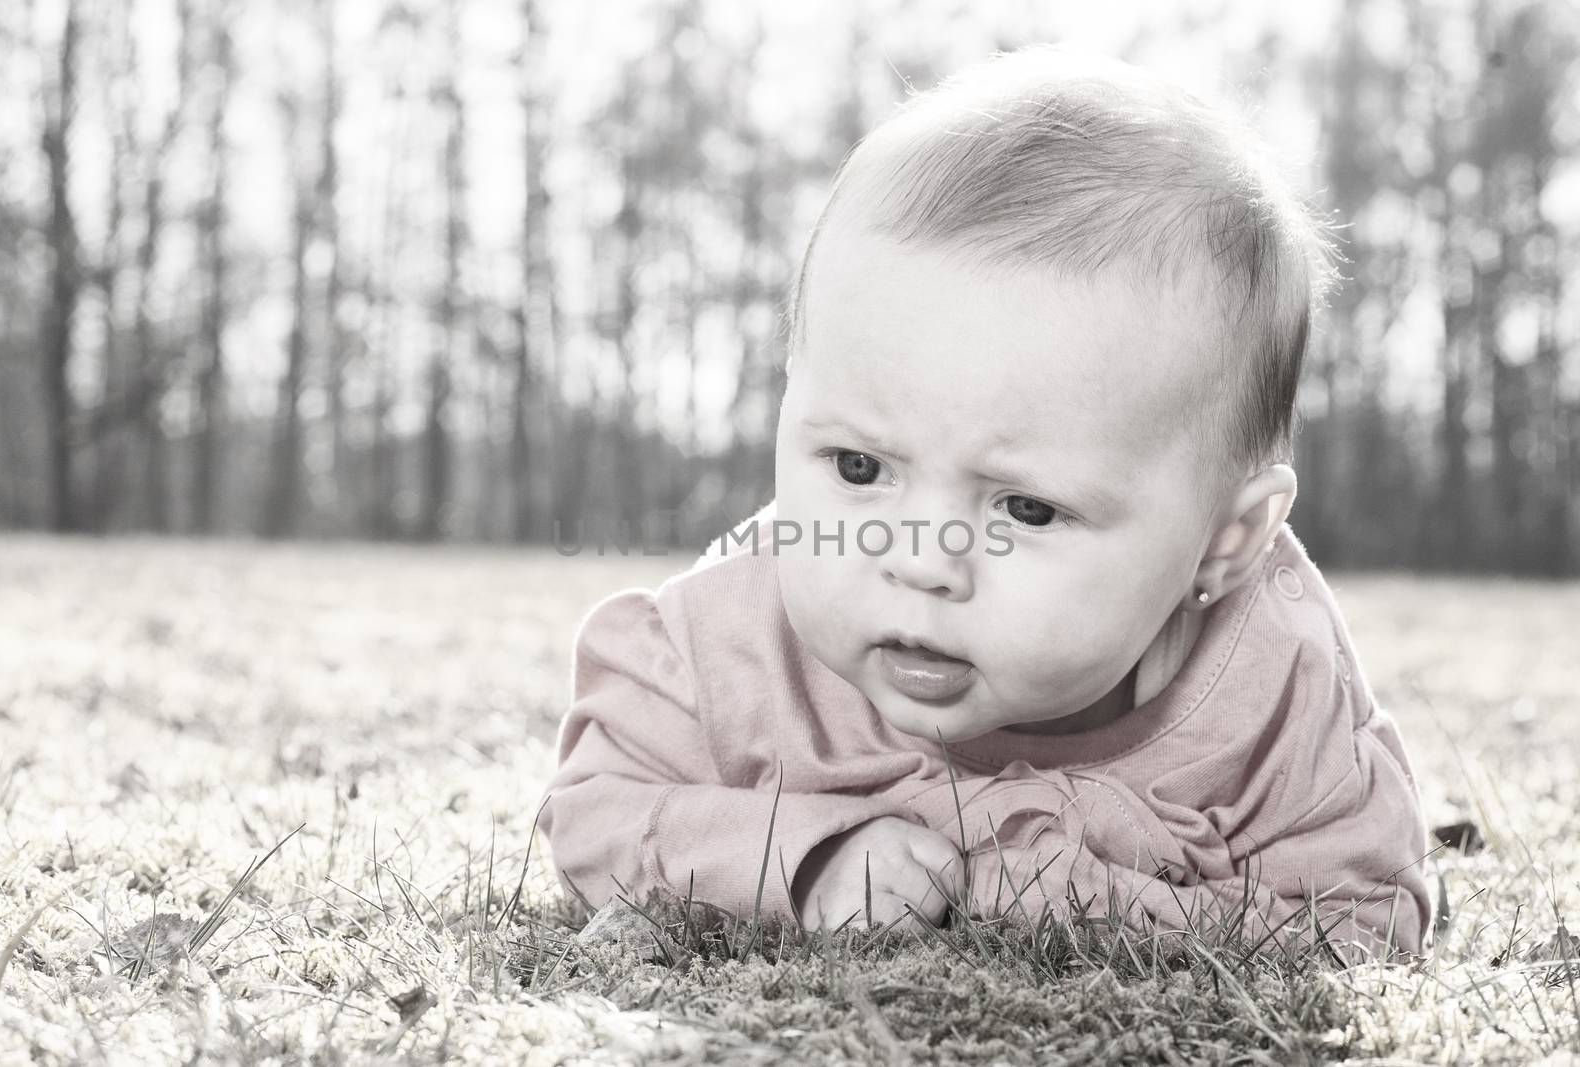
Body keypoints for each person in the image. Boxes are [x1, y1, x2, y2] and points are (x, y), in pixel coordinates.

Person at [537, 46, 1433, 957]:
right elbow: (594, 810)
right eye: (856, 467)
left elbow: (1369, 920)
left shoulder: (1270, 686)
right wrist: (800, 861)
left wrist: (1114, 912)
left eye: (1027, 510)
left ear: (1225, 540)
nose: (919, 557)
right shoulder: (731, 640)